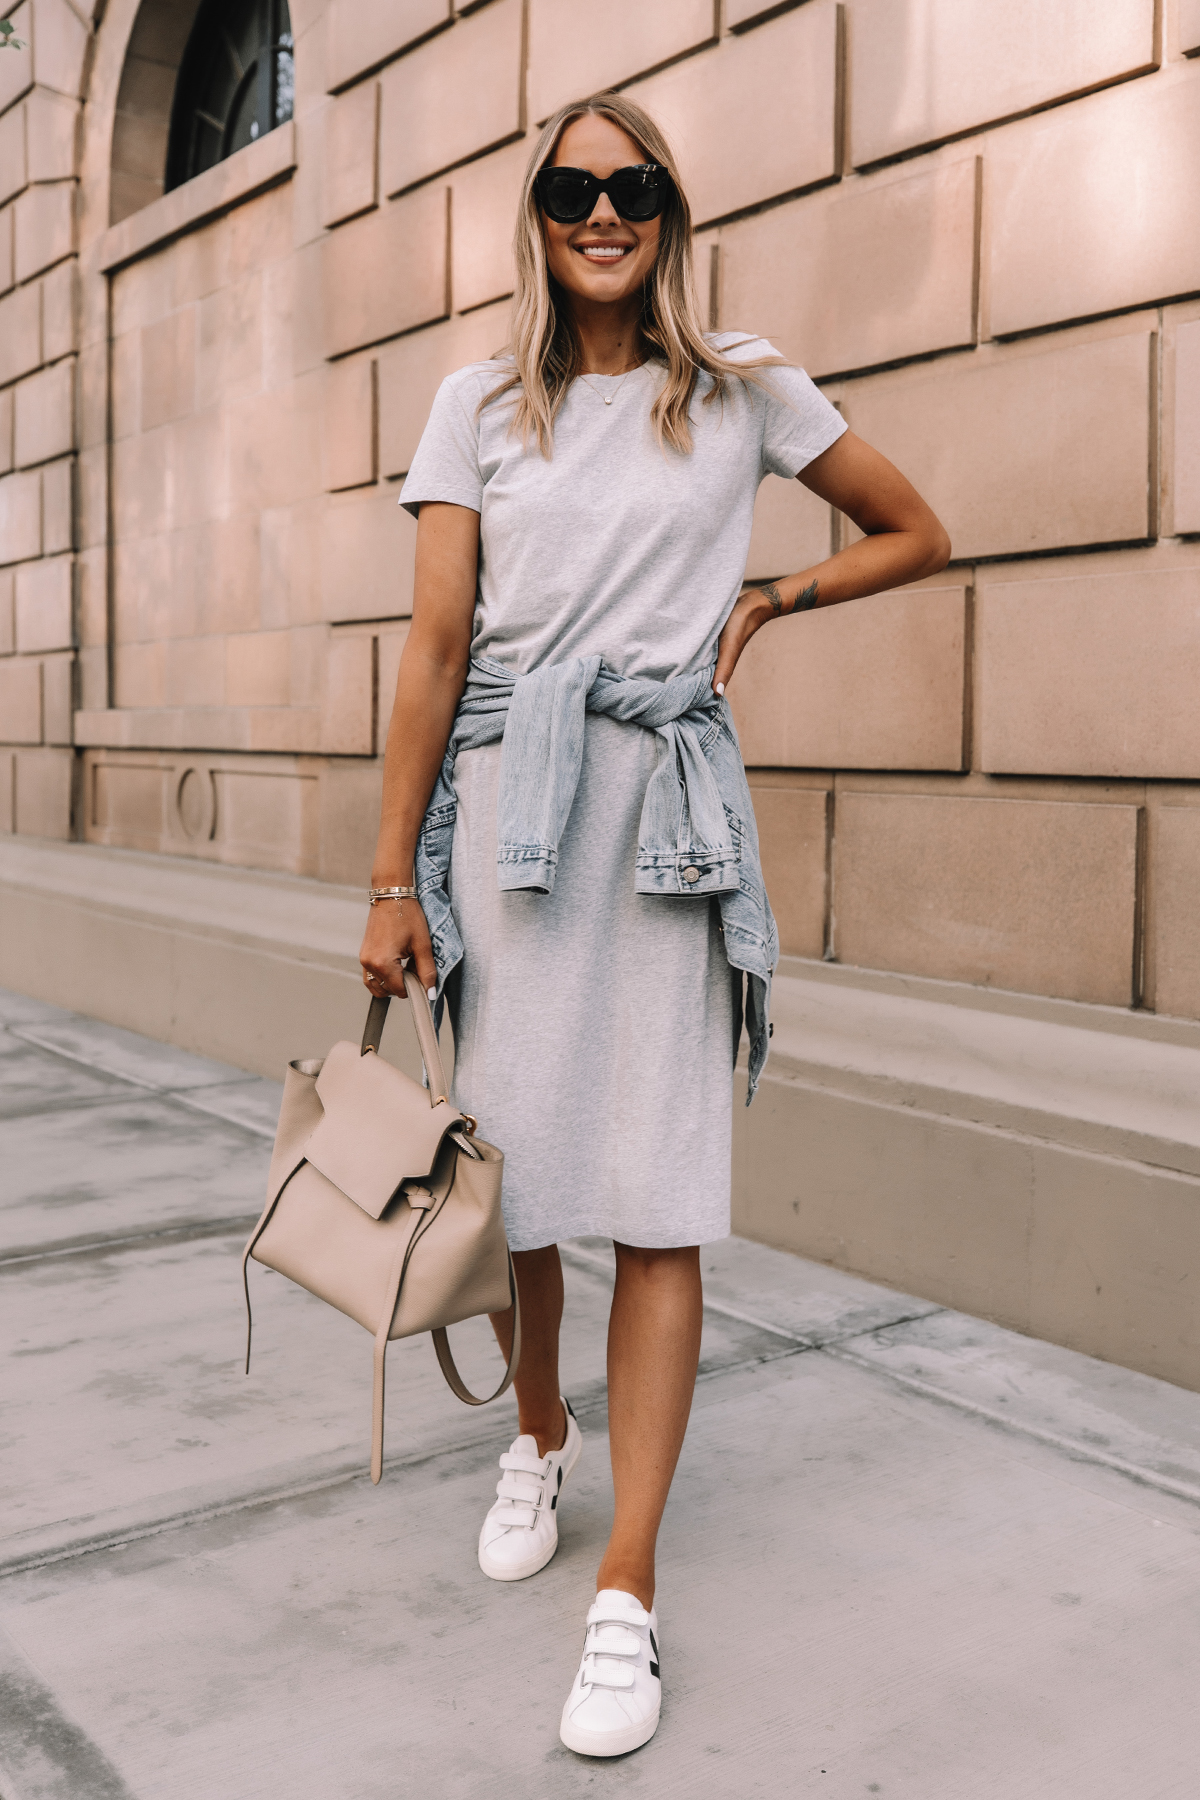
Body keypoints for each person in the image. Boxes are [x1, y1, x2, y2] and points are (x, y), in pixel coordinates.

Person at [359, 92, 950, 1759]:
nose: (601, 212)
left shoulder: (745, 386)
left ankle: (626, 1590)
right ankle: (537, 1434)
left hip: (668, 826)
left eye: (630, 188)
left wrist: (772, 597)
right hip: (508, 823)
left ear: (669, 211)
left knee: (663, 1196)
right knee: (526, 1186)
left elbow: (916, 527)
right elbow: (433, 644)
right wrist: (392, 876)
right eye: (570, 189)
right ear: (537, 217)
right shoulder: (476, 403)